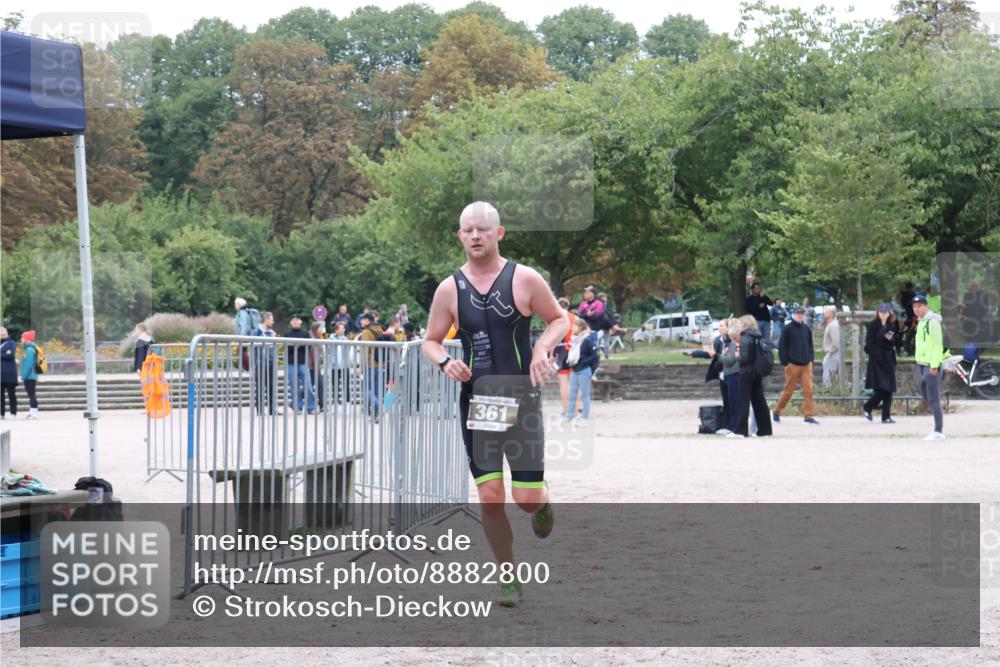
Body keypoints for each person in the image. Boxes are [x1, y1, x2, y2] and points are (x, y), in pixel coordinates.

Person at [422, 201, 568, 608]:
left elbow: (559, 319)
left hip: (521, 400)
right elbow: (430, 340)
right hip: (479, 403)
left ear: (499, 233)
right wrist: (446, 361)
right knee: (489, 495)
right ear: (459, 235)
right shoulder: (449, 289)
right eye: (467, 230)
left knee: (524, 499)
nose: (475, 236)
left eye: (483, 229)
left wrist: (542, 348)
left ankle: (541, 502)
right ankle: (508, 578)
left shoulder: (524, 279)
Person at [772, 306, 819, 425]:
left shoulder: (807, 329)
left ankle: (809, 416)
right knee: (788, 391)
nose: (800, 315)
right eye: (798, 313)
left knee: (809, 390)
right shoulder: (787, 328)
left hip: (806, 364)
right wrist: (786, 363)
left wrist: (811, 360)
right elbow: (782, 347)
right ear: (793, 314)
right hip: (792, 364)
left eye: (802, 313)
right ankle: (776, 411)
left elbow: (810, 346)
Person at [913, 294, 949, 441]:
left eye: (920, 306)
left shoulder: (932, 322)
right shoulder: (921, 322)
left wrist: (934, 365)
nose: (917, 309)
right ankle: (937, 416)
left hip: (931, 365)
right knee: (925, 393)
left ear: (926, 306)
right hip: (922, 363)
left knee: (933, 398)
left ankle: (938, 431)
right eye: (914, 306)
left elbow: (937, 345)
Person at [736, 315, 772, 437]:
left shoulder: (745, 337)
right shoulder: (758, 335)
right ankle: (765, 430)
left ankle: (741, 431)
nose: (738, 326)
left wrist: (737, 356)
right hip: (757, 372)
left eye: (740, 324)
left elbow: (745, 358)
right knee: (759, 401)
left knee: (743, 401)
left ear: (745, 325)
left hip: (746, 372)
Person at [863, 304, 899, 424]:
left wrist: (890, 338)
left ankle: (886, 416)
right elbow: (869, 344)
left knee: (889, 389)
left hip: (888, 360)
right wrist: (882, 333)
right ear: (878, 313)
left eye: (885, 312)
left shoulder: (891, 326)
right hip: (877, 361)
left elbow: (891, 343)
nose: (883, 314)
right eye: (881, 312)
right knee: (881, 389)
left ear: (889, 313)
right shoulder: (873, 325)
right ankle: (868, 407)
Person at [563, 317, 598, 426]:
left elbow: (595, 356)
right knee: (572, 394)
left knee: (584, 396)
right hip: (575, 370)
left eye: (574, 326)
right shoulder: (574, 340)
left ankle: (584, 418)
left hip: (584, 370)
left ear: (580, 327)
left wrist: (583, 362)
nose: (572, 328)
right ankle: (569, 416)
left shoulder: (587, 340)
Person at [357, 311, 387, 420]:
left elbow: (365, 349)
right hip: (379, 363)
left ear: (367, 321)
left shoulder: (366, 332)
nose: (360, 321)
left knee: (366, 388)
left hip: (369, 364)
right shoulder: (380, 330)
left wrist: (361, 366)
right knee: (376, 390)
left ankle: (378, 407)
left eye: (362, 319)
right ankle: (376, 415)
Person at [284, 315, 316, 414]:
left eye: (297, 320)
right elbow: (287, 348)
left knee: (308, 386)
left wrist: (295, 345)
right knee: (294, 386)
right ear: (291, 322)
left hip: (303, 362)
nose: (295, 322)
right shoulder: (287, 333)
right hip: (290, 363)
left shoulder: (306, 333)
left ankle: (311, 407)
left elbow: (309, 346)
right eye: (293, 320)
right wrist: (299, 345)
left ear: (301, 322)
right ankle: (297, 407)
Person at [554, 297, 578, 418]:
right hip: (573, 349)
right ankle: (579, 407)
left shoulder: (555, 318)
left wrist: (550, 354)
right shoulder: (575, 318)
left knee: (563, 383)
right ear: (568, 306)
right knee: (574, 381)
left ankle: (566, 409)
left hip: (560, 350)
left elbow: (553, 337)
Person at [721, 320, 745, 438]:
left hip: (733, 375)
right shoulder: (736, 344)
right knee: (734, 402)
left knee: (734, 402)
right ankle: (735, 426)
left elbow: (729, 361)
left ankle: (736, 427)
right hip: (735, 374)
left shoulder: (733, 344)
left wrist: (717, 356)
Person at [251, 312, 277, 415]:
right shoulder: (257, 330)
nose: (273, 322)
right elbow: (252, 343)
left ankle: (271, 410)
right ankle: (260, 411)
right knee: (261, 386)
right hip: (260, 362)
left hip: (270, 362)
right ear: (266, 319)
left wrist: (274, 338)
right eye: (272, 319)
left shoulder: (271, 332)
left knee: (271, 386)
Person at [18, 330, 40, 420]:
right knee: (31, 394)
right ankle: (32, 411)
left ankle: (34, 412)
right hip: (31, 375)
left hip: (30, 376)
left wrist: (23, 376)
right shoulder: (29, 348)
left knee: (31, 394)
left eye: (22, 338)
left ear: (26, 339)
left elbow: (28, 364)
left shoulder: (29, 350)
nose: (21, 339)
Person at [821, 306, 842, 388]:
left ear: (832, 313)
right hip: (833, 354)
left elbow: (836, 342)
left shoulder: (833, 325)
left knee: (828, 378)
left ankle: (828, 394)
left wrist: (830, 352)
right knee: (832, 377)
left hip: (833, 355)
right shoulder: (831, 324)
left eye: (827, 312)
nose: (824, 313)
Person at [307, 320, 327, 408]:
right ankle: (295, 401)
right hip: (311, 366)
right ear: (316, 328)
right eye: (321, 328)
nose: (322, 329)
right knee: (310, 386)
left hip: (315, 366)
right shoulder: (310, 337)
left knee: (319, 385)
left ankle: (322, 405)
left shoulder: (318, 337)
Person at [0, 327, 17, 419]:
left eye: (3, 332)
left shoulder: (11, 343)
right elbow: (6, 354)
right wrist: (4, 354)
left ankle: (13, 413)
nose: (1, 334)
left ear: (6, 333)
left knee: (11, 394)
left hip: (10, 373)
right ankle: (1, 414)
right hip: (0, 374)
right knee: (0, 396)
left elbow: (10, 355)